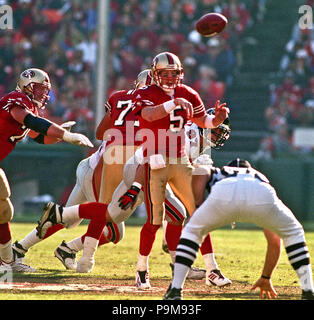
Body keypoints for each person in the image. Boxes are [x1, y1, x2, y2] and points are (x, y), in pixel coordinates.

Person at [13, 69, 153, 273]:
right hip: (104, 166)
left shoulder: (121, 97)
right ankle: (83, 256)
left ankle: (25, 248)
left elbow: (99, 132)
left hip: (95, 162)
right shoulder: (151, 105)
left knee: (67, 218)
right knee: (110, 223)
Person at [128, 51, 229, 288]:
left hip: (181, 159)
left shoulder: (188, 93)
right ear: (155, 74)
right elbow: (148, 114)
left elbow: (203, 121)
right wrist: (172, 102)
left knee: (200, 214)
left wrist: (218, 120)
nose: (170, 78)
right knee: (154, 221)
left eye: (174, 73)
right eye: (165, 74)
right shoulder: (145, 93)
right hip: (156, 161)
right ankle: (142, 269)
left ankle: (212, 270)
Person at [164, 158, 314, 300]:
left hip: (225, 191)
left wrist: (197, 204)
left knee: (192, 231)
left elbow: (201, 171)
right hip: (261, 192)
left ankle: (176, 289)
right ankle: (308, 290)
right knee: (294, 232)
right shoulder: (257, 175)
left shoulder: (221, 171)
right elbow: (275, 242)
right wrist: (266, 277)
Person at [0, 68, 93, 272]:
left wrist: (62, 135)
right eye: (40, 88)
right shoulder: (16, 99)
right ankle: (6, 262)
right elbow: (29, 121)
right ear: (27, 86)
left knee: (4, 211)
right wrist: (65, 135)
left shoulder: (30, 108)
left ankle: (6, 262)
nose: (44, 93)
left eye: (45, 89)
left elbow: (39, 136)